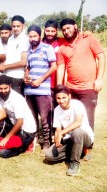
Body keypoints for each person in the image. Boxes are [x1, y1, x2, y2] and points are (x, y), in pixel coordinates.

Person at [56, 18, 105, 158]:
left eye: (68, 28)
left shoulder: (88, 40)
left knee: (88, 118)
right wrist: (60, 88)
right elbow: (61, 67)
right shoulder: (62, 48)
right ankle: (73, 143)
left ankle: (87, 147)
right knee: (71, 117)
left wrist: (99, 79)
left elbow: (101, 57)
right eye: (64, 29)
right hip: (71, 88)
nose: (66, 31)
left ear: (75, 26)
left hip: (89, 87)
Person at [45, 85, 94, 176]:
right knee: (49, 156)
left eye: (64, 97)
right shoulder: (56, 110)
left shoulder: (77, 104)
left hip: (84, 137)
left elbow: (78, 123)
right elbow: (58, 129)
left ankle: (74, 163)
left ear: (69, 96)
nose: (61, 101)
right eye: (58, 98)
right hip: (69, 139)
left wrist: (61, 133)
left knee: (77, 132)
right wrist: (57, 139)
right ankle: (77, 151)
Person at [24, 25, 57, 156]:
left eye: (35, 36)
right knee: (32, 119)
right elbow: (28, 67)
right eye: (30, 36)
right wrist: (25, 77)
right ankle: (33, 141)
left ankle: (46, 143)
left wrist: (40, 80)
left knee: (44, 118)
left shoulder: (47, 48)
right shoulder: (28, 50)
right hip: (29, 90)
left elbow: (53, 67)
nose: (33, 39)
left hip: (42, 90)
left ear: (39, 35)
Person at [0, 75, 36, 158]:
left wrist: (7, 138)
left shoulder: (17, 98)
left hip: (26, 131)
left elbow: (20, 122)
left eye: (5, 88)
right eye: (0, 89)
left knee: (3, 152)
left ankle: (30, 142)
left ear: (10, 86)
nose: (3, 91)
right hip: (14, 126)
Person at [0, 15, 29, 95]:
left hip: (17, 77)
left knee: (16, 102)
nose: (15, 28)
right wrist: (2, 65)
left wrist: (5, 66)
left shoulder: (24, 39)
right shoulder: (11, 38)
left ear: (23, 25)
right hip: (7, 75)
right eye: (14, 26)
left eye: (18, 26)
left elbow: (23, 62)